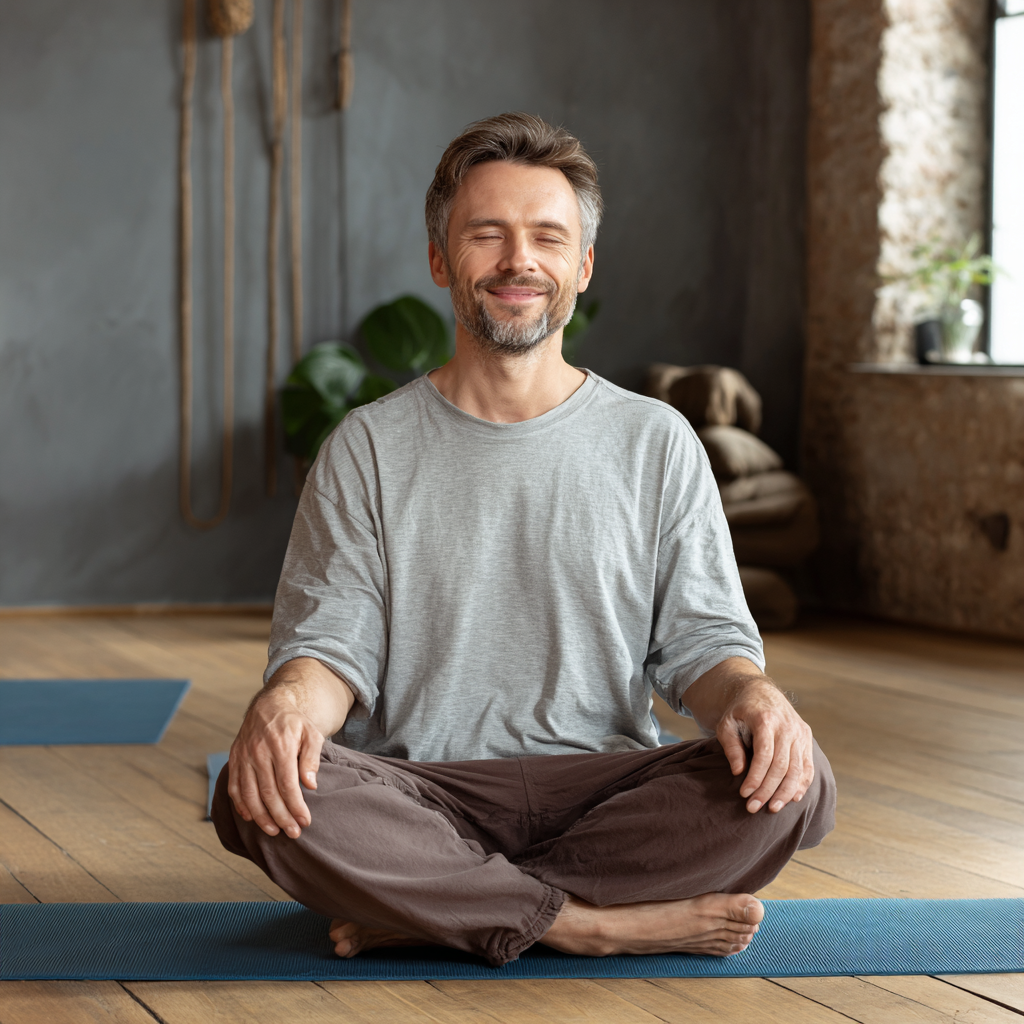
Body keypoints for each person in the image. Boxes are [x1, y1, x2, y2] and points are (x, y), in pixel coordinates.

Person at [212, 112, 835, 968]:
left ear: (581, 266)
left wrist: (754, 699)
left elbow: (704, 645)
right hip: (422, 787)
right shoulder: (366, 446)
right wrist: (286, 704)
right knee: (256, 793)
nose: (519, 262)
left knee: (795, 781)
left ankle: (436, 910)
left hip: (605, 785)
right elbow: (331, 650)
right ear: (440, 260)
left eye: (547, 237)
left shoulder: (655, 441)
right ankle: (586, 925)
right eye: (487, 235)